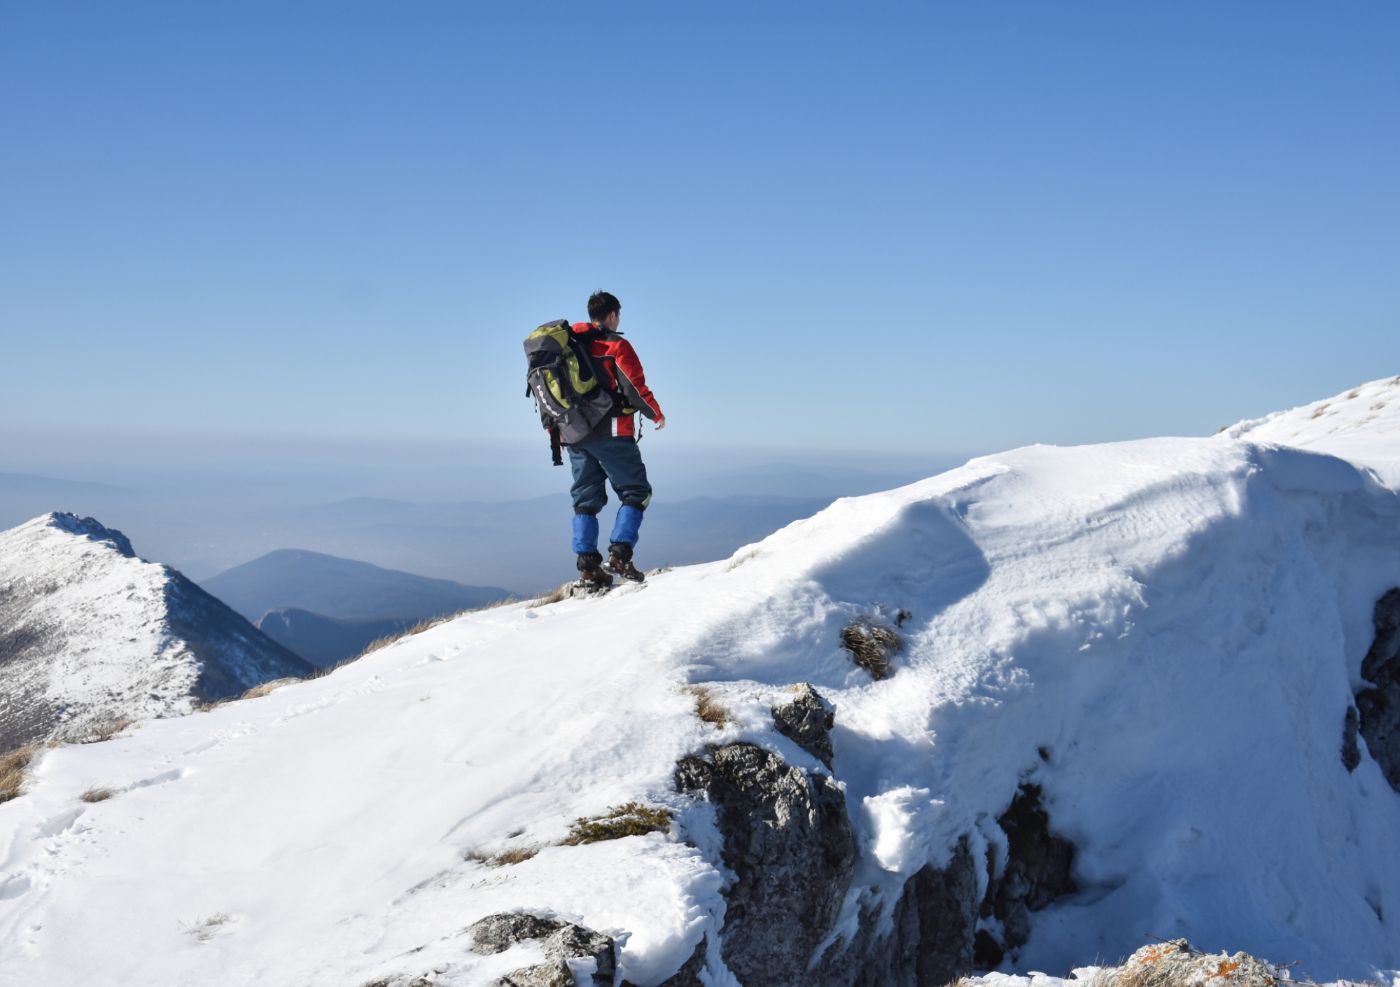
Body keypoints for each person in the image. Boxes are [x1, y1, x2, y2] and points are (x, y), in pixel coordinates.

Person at [565, 291, 665, 587]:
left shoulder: (569, 346)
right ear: (612, 315)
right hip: (611, 431)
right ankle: (619, 555)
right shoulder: (615, 345)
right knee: (637, 491)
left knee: (585, 500)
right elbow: (633, 386)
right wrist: (655, 414)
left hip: (573, 433)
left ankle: (587, 568)